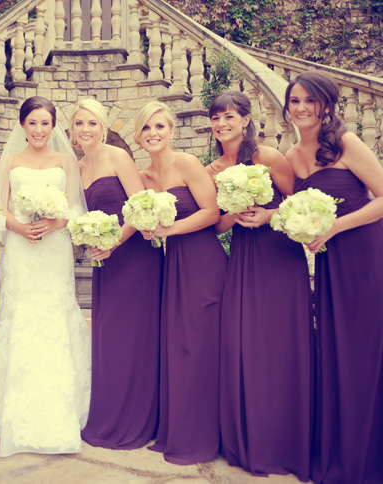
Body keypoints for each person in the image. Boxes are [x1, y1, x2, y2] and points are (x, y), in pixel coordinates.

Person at [285, 71, 383, 484]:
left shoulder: (346, 142)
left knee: (365, 348)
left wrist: (335, 227)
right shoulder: (291, 155)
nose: (302, 108)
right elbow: (289, 208)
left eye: (310, 100)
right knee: (336, 348)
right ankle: (340, 448)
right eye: (295, 101)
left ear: (326, 105)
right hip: (329, 262)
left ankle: (369, 455)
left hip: (364, 254)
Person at [209, 91, 312, 481]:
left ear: (246, 119)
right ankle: (250, 439)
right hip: (243, 256)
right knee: (244, 344)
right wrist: (235, 212)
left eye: (229, 116)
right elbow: (218, 224)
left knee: (280, 343)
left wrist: (268, 214)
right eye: (216, 118)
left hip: (278, 254)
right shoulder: (213, 169)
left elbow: (299, 202)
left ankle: (286, 442)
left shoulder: (267, 157)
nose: (222, 124)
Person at [0, 96, 91, 457]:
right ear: (22, 125)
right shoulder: (11, 161)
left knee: (54, 317)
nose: (39, 129)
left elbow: (75, 208)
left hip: (53, 249)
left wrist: (55, 222)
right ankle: (15, 416)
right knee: (20, 317)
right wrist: (17, 226)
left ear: (53, 126)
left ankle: (60, 412)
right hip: (21, 249)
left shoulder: (66, 161)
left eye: (45, 123)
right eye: (32, 122)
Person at [132, 102, 226, 464]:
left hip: (203, 262)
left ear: (172, 131)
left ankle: (207, 434)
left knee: (202, 345)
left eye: (160, 126)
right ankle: (180, 429)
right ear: (138, 136)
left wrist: (169, 229)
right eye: (146, 128)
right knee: (180, 347)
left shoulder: (187, 163)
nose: (153, 133)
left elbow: (212, 212)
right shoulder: (142, 178)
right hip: (171, 267)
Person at [69, 98, 162, 449]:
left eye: (92, 122)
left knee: (134, 337)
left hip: (134, 256)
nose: (86, 129)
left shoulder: (118, 156)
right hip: (105, 261)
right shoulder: (76, 168)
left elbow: (141, 208)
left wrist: (114, 242)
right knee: (110, 338)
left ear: (103, 126)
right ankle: (111, 415)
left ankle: (138, 420)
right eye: (80, 123)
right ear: (72, 129)